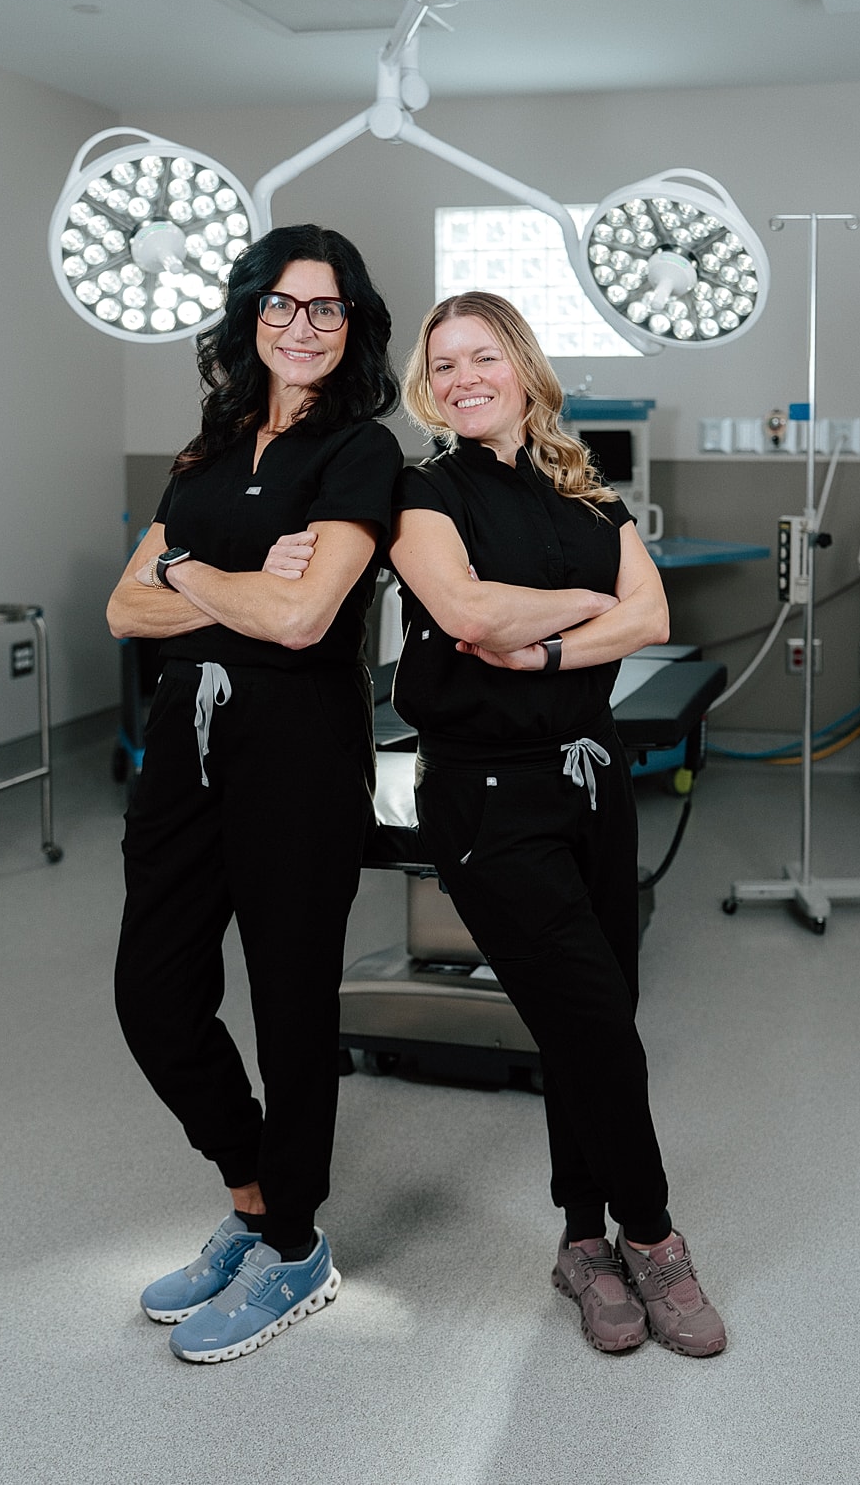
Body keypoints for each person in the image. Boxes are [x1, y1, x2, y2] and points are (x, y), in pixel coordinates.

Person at [389, 291, 725, 1357]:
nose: (462, 379)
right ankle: (657, 1242)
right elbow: (469, 616)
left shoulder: (587, 491)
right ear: (427, 388)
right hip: (486, 796)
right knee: (593, 1024)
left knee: (592, 1019)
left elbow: (654, 616)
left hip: (591, 780)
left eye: (481, 357)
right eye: (442, 367)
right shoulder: (422, 492)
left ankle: (583, 1241)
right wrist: (586, 607)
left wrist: (539, 637)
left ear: (524, 369)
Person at [106, 224, 402, 1366]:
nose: (301, 327)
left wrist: (184, 573)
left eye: (325, 308)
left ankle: (293, 1245)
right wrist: (211, 575)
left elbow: (302, 619)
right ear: (249, 319)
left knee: (291, 1009)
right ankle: (249, 1193)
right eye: (281, 306)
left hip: (299, 752)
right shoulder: (208, 450)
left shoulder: (362, 453)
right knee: (154, 996)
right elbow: (128, 611)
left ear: (354, 325)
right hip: (184, 745)